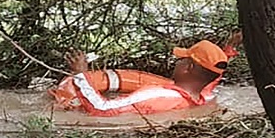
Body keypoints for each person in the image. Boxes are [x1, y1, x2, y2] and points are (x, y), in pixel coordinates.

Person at [52, 31, 241, 117]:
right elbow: (214, 75)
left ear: (189, 67)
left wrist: (80, 74)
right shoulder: (204, 96)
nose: (177, 61)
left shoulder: (157, 95)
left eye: (182, 59)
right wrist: (229, 50)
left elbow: (102, 109)